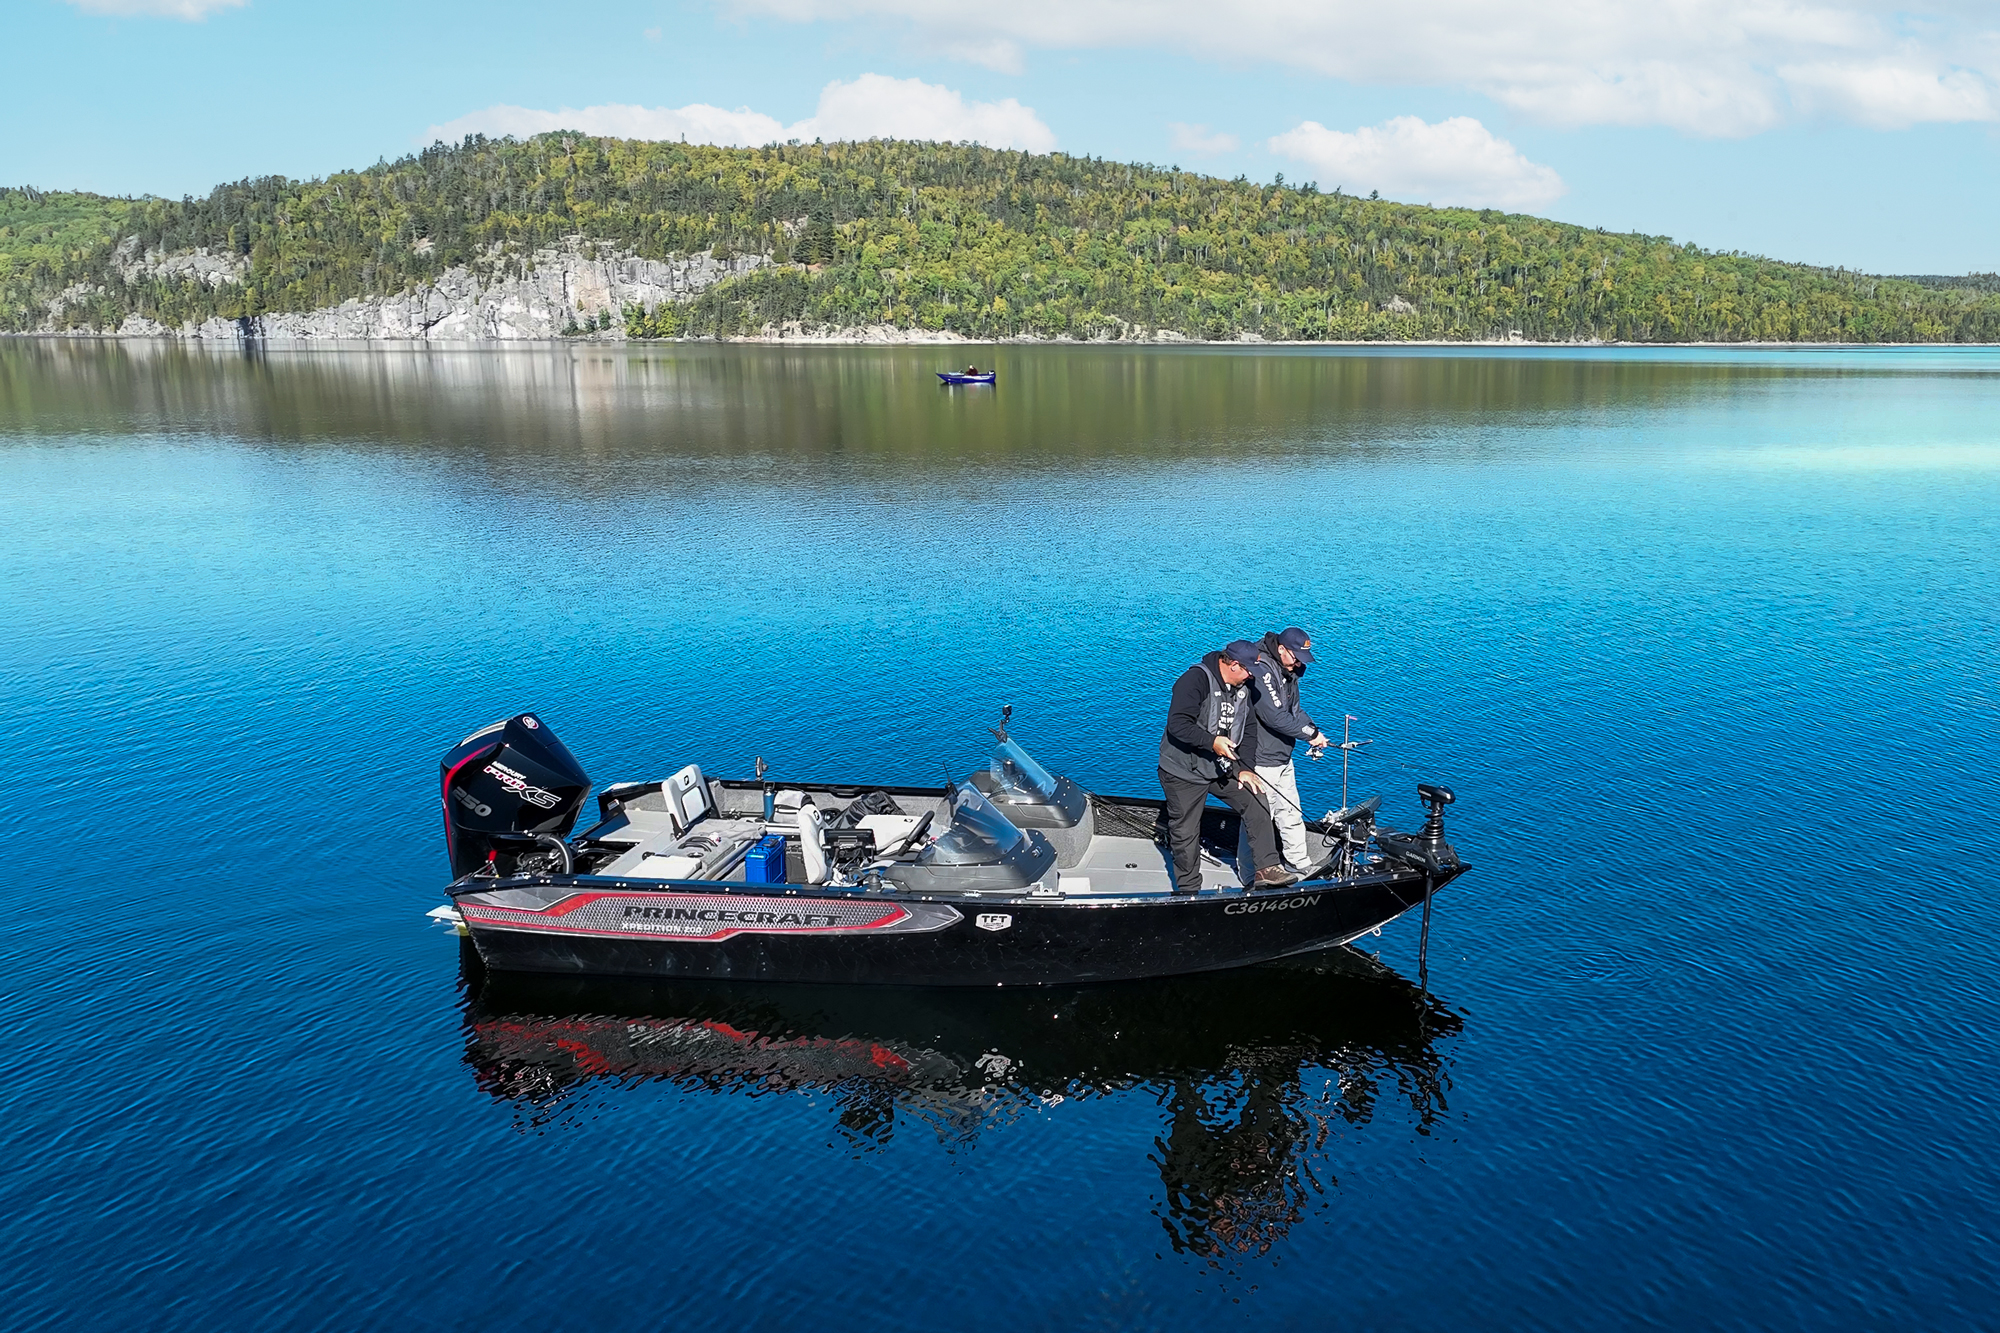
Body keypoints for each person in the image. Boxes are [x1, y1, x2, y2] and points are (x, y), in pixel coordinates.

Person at [1158, 641, 1293, 893]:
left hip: (1220, 767)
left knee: (1257, 799)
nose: (1252, 675)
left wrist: (1245, 768)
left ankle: (1267, 869)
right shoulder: (1194, 680)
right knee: (1186, 830)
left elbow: (1249, 730)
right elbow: (1177, 724)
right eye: (1248, 670)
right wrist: (1211, 742)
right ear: (1232, 664)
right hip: (1183, 771)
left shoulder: (1245, 686)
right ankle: (1188, 891)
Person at [1241, 626, 1332, 875]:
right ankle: (1249, 873)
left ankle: (1300, 864)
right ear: (1281, 649)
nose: (1299, 665)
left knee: (1291, 811)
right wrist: (1309, 735)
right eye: (1296, 658)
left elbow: (1294, 710)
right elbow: (1274, 716)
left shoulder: (1288, 670)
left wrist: (1314, 729)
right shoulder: (1263, 670)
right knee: (1258, 818)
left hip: (1282, 756)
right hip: (1261, 759)